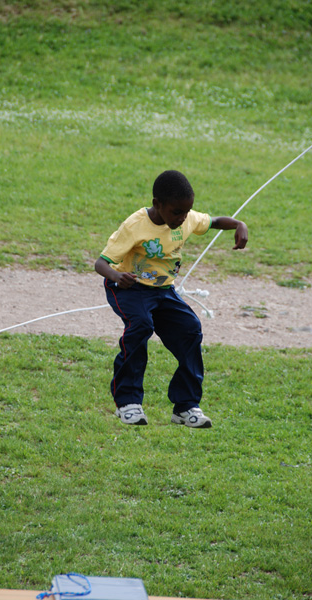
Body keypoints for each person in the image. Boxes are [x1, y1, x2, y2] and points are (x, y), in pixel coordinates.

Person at [94, 170, 248, 428]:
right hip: (128, 288)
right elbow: (101, 263)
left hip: (163, 290)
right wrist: (117, 276)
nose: (183, 218)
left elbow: (213, 221)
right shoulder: (135, 225)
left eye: (187, 212)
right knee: (141, 326)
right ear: (158, 204)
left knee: (190, 329)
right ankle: (128, 403)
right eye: (177, 212)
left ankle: (186, 407)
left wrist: (238, 224)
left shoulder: (185, 218)